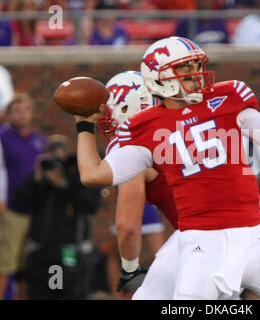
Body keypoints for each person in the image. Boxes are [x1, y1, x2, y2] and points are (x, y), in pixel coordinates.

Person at [74, 36, 260, 300]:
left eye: (197, 66)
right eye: (186, 68)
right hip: (202, 244)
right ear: (160, 77)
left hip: (256, 237)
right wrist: (84, 126)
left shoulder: (227, 99)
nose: (197, 74)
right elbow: (93, 175)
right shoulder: (143, 127)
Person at [97, 71, 170, 296]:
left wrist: (129, 270)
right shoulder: (168, 129)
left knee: (164, 264)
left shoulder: (133, 148)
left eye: (115, 107)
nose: (109, 117)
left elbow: (128, 227)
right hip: (214, 225)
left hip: (198, 230)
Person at [15, 135, 101, 299]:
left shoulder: (76, 177)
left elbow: (90, 205)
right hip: (42, 251)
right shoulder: (39, 180)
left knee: (68, 292)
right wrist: (37, 177)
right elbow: (21, 202)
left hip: (69, 251)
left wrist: (64, 184)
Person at [0, 93, 46, 300]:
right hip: (9, 210)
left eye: (25, 110)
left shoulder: (38, 140)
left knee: (27, 265)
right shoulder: (1, 138)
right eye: (16, 111)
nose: (21, 115)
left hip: (33, 212)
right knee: (3, 264)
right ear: (8, 115)